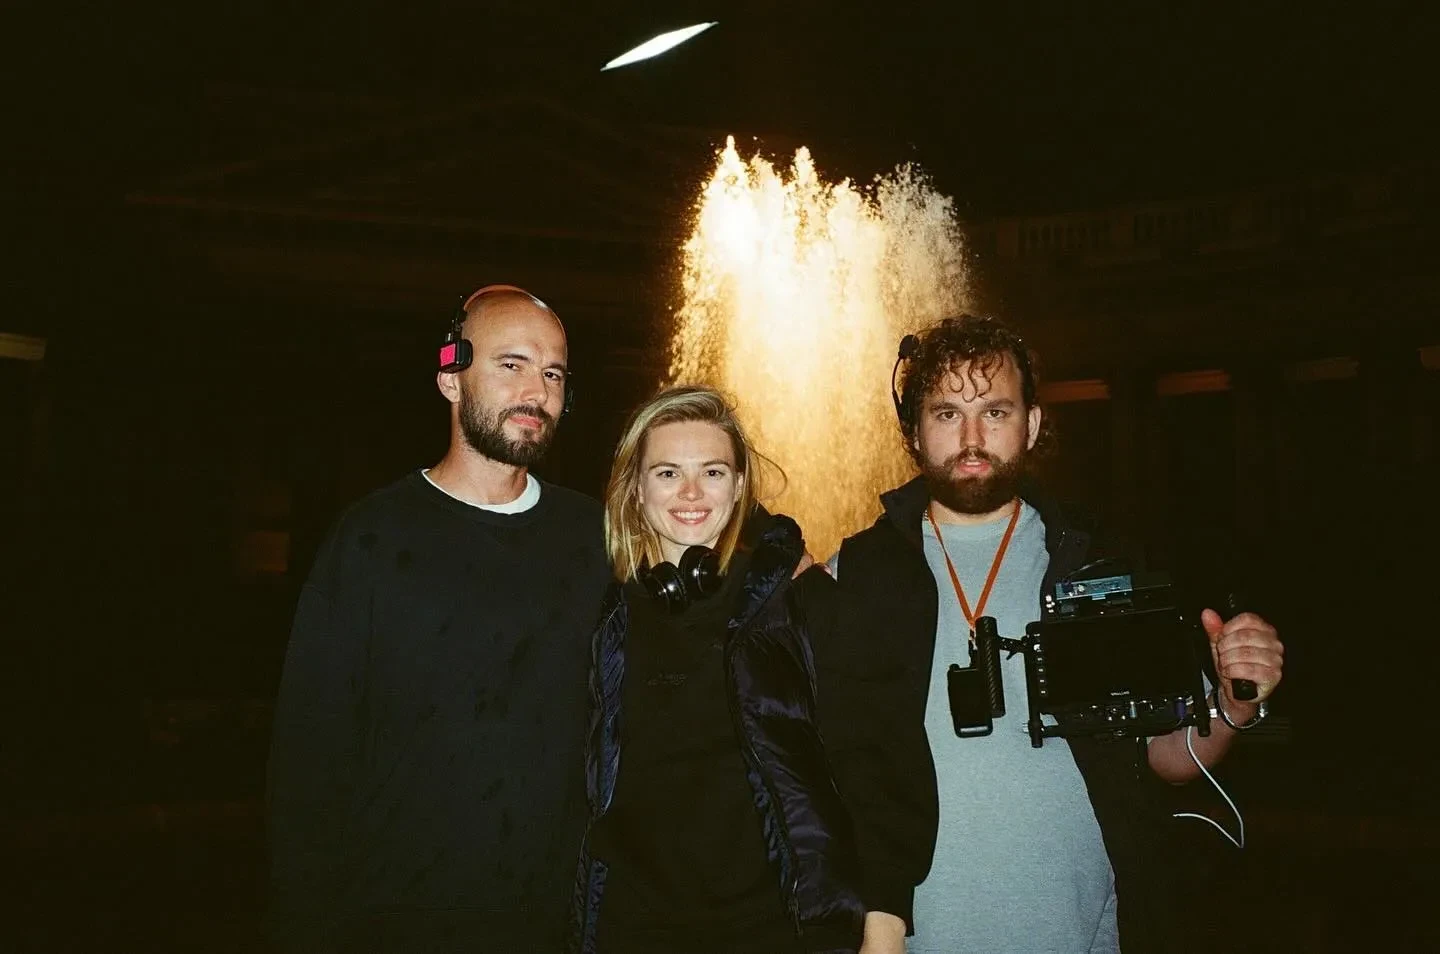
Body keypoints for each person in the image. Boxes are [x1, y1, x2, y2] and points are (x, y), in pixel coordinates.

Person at [813, 315, 1286, 953]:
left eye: (996, 412)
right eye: (948, 414)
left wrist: (1232, 704)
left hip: (1080, 934)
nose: (972, 438)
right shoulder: (853, 574)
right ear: (913, 433)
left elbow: (1165, 757)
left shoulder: (1096, 562)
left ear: (1031, 425)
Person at [265, 285, 612, 953]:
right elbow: (308, 758)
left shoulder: (594, 538)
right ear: (451, 377)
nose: (537, 391)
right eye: (512, 364)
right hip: (395, 922)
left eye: (554, 373)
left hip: (549, 926)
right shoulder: (371, 538)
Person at [570, 385, 872, 954]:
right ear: (636, 488)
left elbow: (868, 759)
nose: (690, 493)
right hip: (633, 930)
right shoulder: (603, 616)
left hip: (769, 931)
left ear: (738, 488)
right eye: (667, 473)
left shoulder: (794, 601)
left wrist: (878, 918)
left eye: (711, 472)